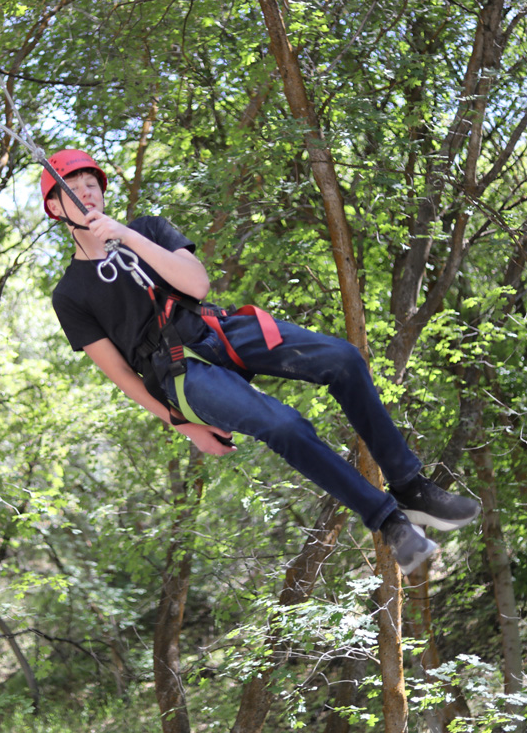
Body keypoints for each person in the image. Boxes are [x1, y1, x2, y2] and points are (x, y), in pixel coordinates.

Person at [42, 149, 478, 574]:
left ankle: (411, 486)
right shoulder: (70, 295)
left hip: (215, 330)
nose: (87, 192)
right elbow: (121, 374)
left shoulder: (147, 229)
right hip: (180, 374)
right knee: (283, 425)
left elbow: (196, 285)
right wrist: (183, 425)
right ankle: (389, 522)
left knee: (343, 359)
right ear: (56, 208)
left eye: (91, 184)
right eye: (73, 188)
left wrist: (127, 237)